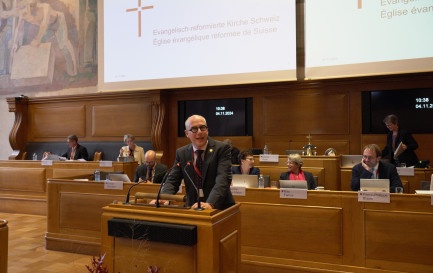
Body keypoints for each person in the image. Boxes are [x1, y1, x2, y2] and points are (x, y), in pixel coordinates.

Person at [156, 115, 235, 210]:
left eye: (202, 128)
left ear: (207, 130)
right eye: (194, 129)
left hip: (219, 207)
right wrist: (165, 198)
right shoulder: (182, 153)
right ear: (186, 133)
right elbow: (173, 180)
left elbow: (223, 179)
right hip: (193, 207)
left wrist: (210, 203)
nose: (199, 132)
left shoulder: (221, 149)